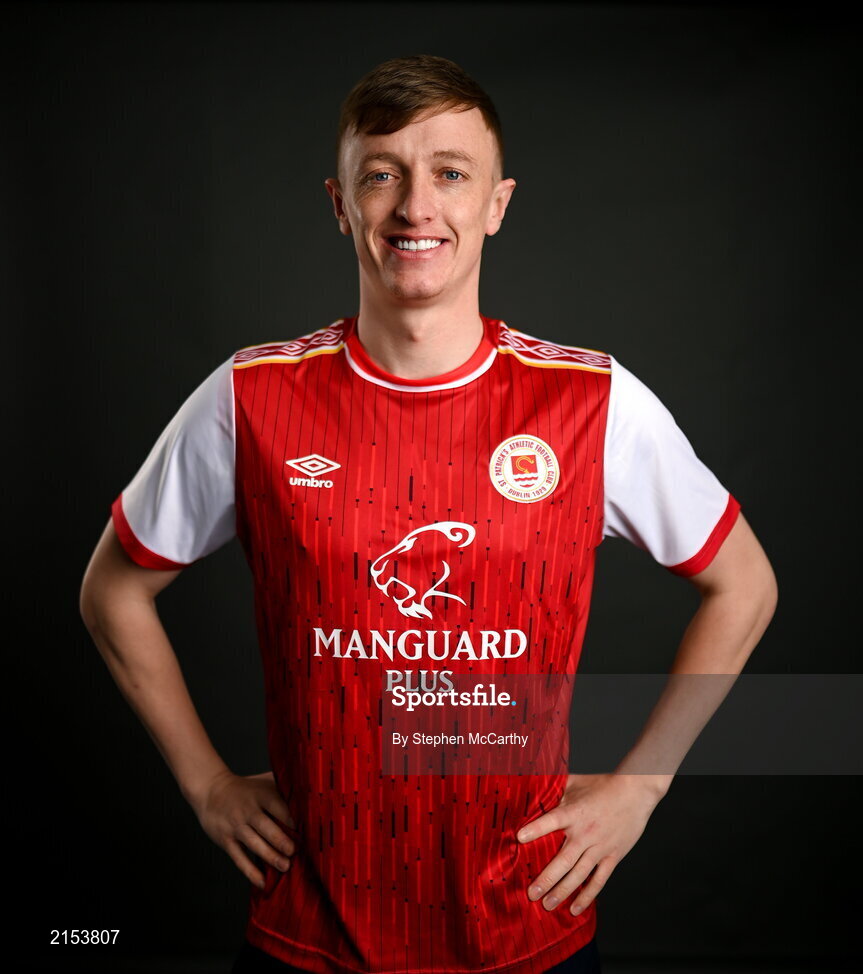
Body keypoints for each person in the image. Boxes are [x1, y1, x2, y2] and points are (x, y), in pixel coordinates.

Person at [79, 55, 777, 974]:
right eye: (383, 174)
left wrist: (641, 785)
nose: (416, 206)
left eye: (450, 172)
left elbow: (746, 585)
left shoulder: (591, 404)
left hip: (527, 932)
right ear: (340, 203)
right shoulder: (248, 399)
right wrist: (207, 784)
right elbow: (112, 591)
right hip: (308, 935)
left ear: (497, 203)